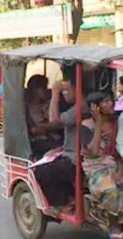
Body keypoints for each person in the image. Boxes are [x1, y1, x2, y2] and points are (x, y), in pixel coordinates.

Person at [80, 92, 123, 239]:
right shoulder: (85, 126)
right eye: (106, 102)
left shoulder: (117, 123)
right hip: (96, 169)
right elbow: (94, 151)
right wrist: (98, 123)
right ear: (95, 107)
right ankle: (113, 225)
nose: (111, 104)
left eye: (111, 100)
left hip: (116, 165)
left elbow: (120, 151)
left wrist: (120, 172)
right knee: (111, 190)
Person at [32, 77, 88, 209]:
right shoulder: (78, 106)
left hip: (76, 158)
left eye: (66, 90)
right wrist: (59, 149)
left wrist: (55, 94)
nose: (64, 93)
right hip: (70, 152)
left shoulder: (80, 107)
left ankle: (65, 203)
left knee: (40, 171)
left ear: (77, 89)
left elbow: (54, 120)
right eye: (62, 91)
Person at [25, 75, 62, 158]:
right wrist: (56, 124)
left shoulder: (46, 103)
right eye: (44, 88)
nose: (47, 91)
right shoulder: (32, 106)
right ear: (36, 90)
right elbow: (38, 126)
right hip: (40, 140)